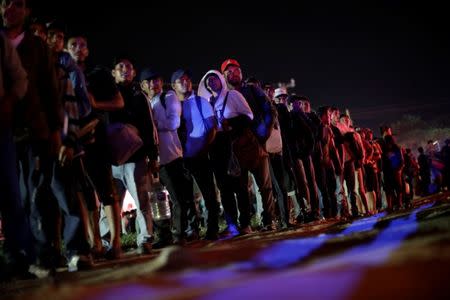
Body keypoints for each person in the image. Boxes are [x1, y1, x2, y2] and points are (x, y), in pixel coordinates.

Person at [171, 69, 220, 240]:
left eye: (187, 79)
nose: (184, 82)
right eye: (180, 80)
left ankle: (212, 228)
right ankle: (193, 230)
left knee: (208, 194)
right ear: (173, 86)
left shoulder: (201, 102)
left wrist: (203, 149)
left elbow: (213, 128)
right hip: (180, 158)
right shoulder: (173, 106)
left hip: (200, 155)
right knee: (186, 197)